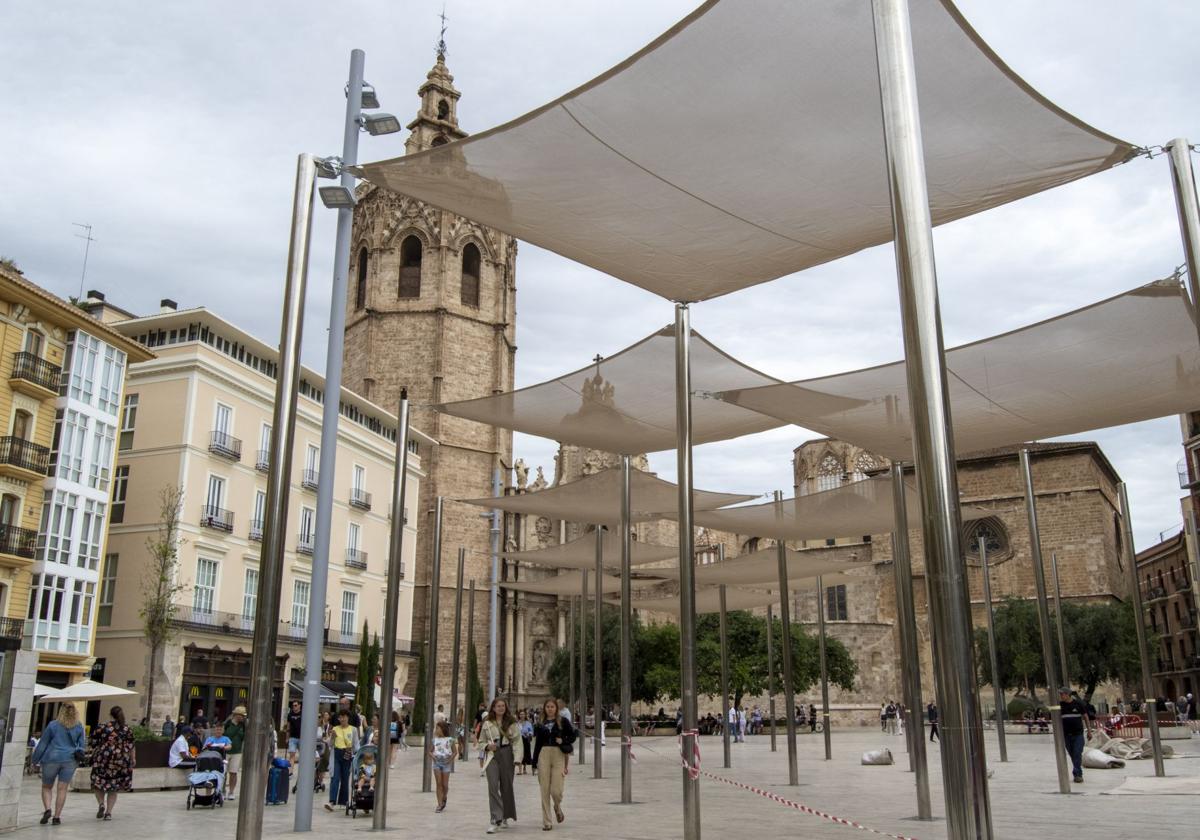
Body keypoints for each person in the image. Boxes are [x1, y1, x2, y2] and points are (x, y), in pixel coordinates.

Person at [30, 703, 86, 825]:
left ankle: (47, 809)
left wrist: (34, 761)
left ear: (60, 711)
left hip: (52, 758)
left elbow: (43, 744)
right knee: (62, 789)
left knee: (46, 786)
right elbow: (82, 746)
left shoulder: (53, 725)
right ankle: (57, 817)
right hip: (70, 760)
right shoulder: (79, 726)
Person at [480, 696, 523, 833]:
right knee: (492, 787)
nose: (501, 708)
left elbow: (517, 741)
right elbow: (480, 741)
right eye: (498, 706)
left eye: (503, 706)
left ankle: (505, 815)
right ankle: (495, 819)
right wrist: (487, 746)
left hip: (507, 754)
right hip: (492, 756)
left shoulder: (511, 722)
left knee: (506, 786)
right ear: (493, 708)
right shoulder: (487, 723)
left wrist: (517, 758)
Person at [532, 697, 574, 832]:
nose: (550, 709)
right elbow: (537, 743)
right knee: (544, 789)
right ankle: (547, 821)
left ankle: (557, 806)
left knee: (556, 790)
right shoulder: (540, 723)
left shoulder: (563, 721)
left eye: (552, 707)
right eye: (547, 707)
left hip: (558, 755)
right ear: (544, 708)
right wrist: (534, 762)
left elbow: (573, 736)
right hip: (543, 754)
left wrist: (563, 740)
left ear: (556, 708)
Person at [88, 706, 135, 821]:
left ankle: (101, 804)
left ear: (111, 715)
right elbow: (132, 745)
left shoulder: (103, 727)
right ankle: (108, 813)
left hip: (103, 758)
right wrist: (133, 759)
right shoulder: (126, 728)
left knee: (98, 782)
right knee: (113, 787)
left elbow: (92, 740)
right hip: (120, 760)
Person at [325, 710, 360, 811]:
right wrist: (332, 737)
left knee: (345, 778)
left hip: (348, 755)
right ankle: (332, 801)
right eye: (340, 717)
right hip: (336, 754)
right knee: (334, 777)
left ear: (348, 718)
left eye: (344, 717)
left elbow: (356, 744)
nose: (342, 719)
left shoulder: (353, 729)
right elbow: (330, 744)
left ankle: (344, 801)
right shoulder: (335, 729)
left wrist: (355, 754)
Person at [1058, 687, 1091, 783]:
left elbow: (1085, 716)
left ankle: (1078, 774)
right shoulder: (1060, 706)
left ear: (1068, 694)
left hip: (1078, 734)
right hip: (1066, 735)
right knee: (1073, 754)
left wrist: (1089, 731)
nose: (1061, 696)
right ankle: (1077, 770)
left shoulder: (1078, 704)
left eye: (1062, 694)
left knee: (1077, 753)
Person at [430, 720, 458, 813]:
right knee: (438, 783)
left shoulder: (450, 740)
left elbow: (455, 752)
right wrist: (433, 757)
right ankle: (439, 804)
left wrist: (449, 760)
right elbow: (429, 751)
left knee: (445, 785)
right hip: (437, 763)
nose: (436, 730)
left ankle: (444, 797)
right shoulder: (434, 740)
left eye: (437, 728)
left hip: (446, 763)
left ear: (443, 729)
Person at [223, 706, 246, 800]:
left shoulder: (243, 725)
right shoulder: (228, 724)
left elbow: (244, 737)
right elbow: (227, 734)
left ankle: (231, 791)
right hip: (226, 751)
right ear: (236, 715)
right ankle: (222, 790)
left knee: (233, 772)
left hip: (237, 751)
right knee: (223, 772)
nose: (243, 718)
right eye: (242, 716)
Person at [518, 710, 534, 775]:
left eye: (523, 714)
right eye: (521, 714)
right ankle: (520, 770)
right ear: (519, 715)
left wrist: (529, 733)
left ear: (525, 715)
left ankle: (524, 768)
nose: (522, 715)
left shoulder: (528, 723)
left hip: (526, 740)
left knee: (525, 754)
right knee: (520, 754)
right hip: (519, 740)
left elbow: (531, 731)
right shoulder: (517, 724)